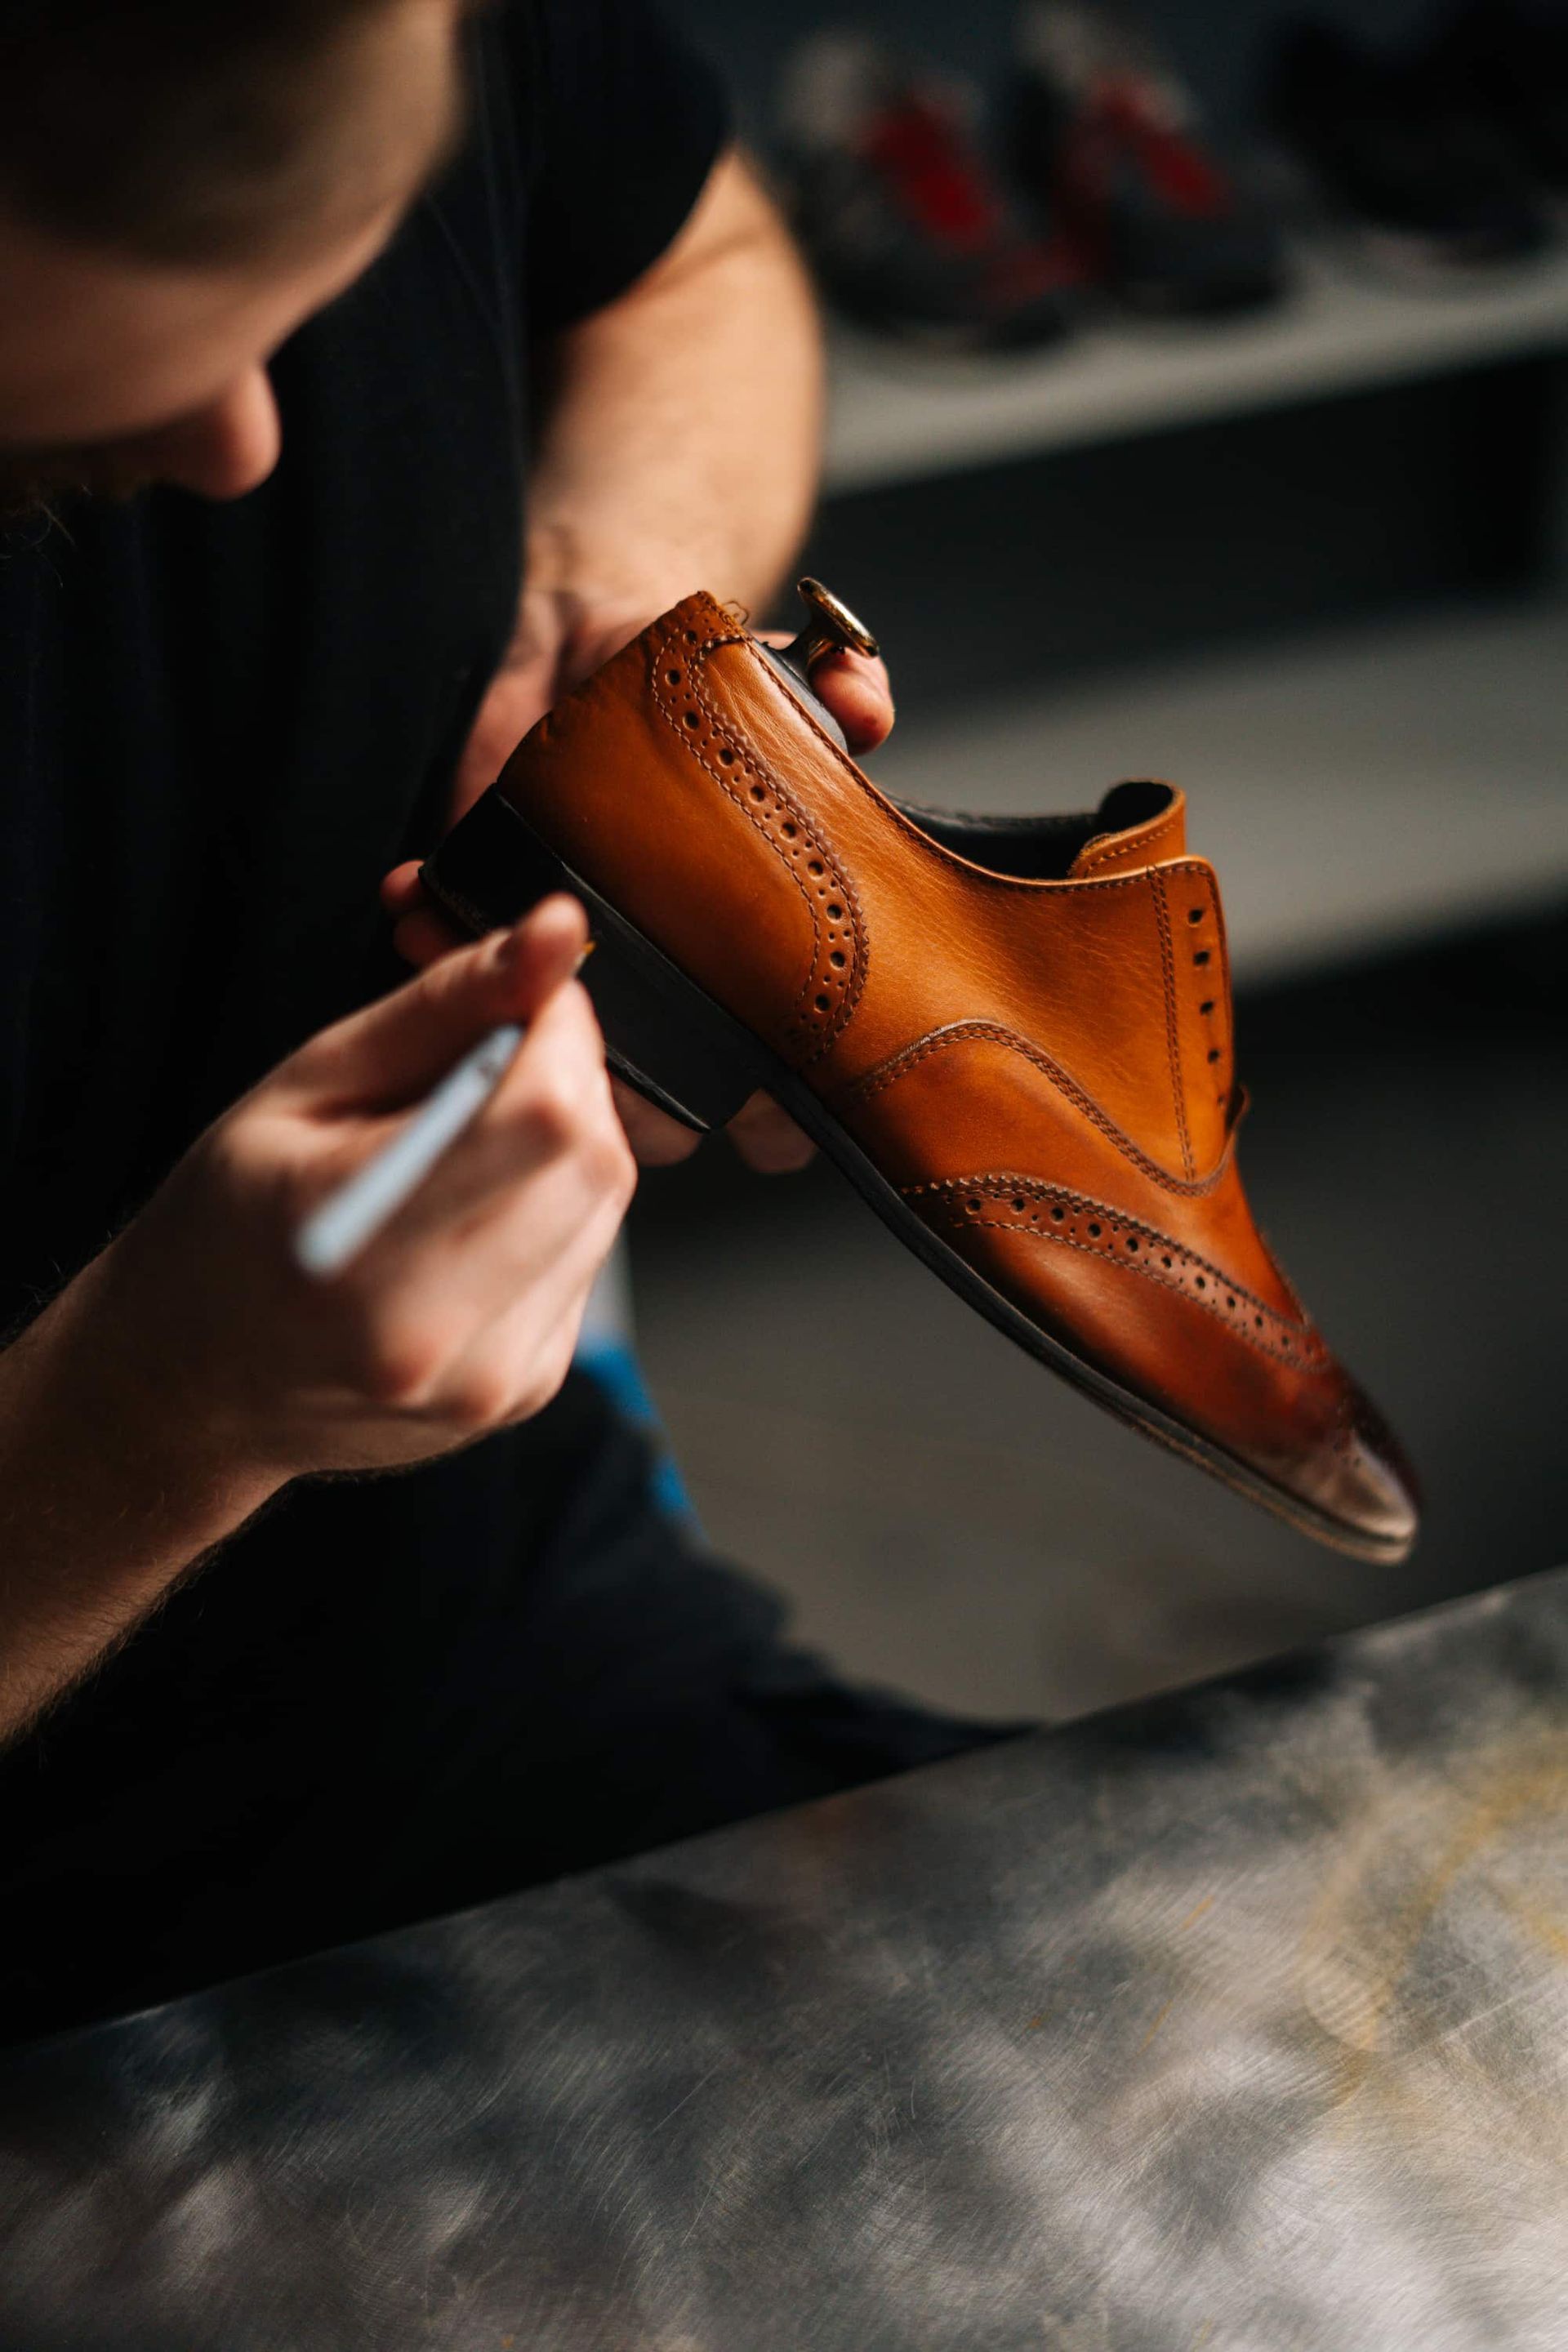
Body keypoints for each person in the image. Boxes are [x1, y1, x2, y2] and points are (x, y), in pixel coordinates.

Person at [0, 0, 1006, 2045]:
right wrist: (142, 1419)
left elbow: (694, 256)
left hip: (515, 1672)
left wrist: (628, 567)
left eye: (344, 278)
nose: (246, 445)